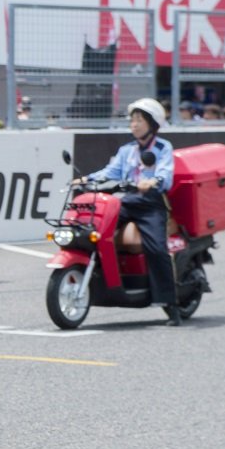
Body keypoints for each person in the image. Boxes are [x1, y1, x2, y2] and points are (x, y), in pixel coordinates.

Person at [78, 97, 178, 323]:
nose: (134, 125)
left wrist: (152, 181)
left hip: (151, 203)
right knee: (94, 229)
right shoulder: (127, 150)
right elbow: (110, 172)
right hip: (126, 200)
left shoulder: (163, 147)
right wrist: (86, 178)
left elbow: (165, 173)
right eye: (132, 120)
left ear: (152, 123)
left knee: (156, 248)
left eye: (140, 120)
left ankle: (169, 303)